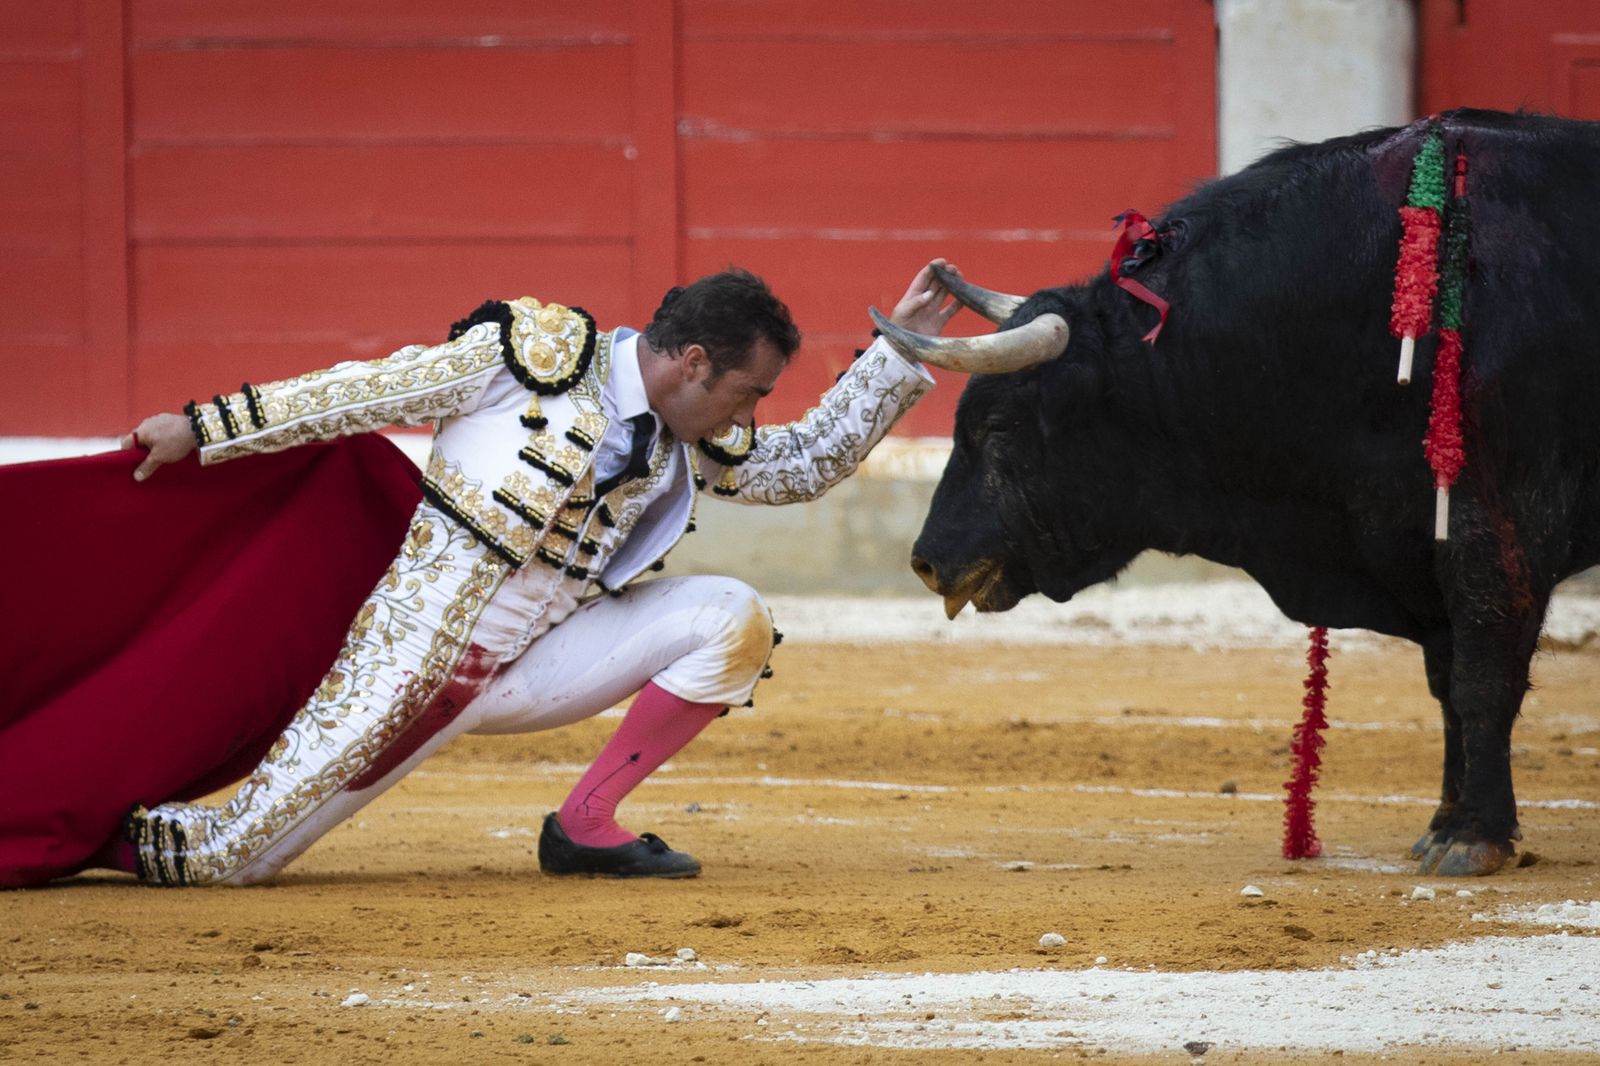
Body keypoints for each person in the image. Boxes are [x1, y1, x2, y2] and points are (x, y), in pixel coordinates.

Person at [102, 261, 962, 886]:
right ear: (693, 362)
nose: (750, 413)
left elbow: (802, 464)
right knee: (229, 858)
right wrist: (202, 428)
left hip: (547, 662)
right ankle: (81, 821)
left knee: (732, 615)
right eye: (748, 392)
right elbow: (359, 392)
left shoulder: (685, 437)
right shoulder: (526, 360)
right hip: (419, 660)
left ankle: (585, 827)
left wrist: (898, 351)